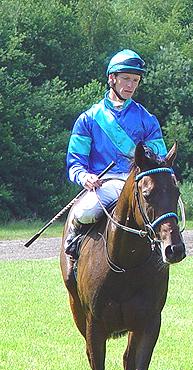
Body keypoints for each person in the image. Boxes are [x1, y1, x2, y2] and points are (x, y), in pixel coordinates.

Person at [64, 49, 168, 258]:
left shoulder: (147, 119)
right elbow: (75, 162)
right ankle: (73, 249)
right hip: (105, 184)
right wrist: (85, 177)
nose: (131, 85)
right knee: (84, 212)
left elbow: (160, 157)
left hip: (138, 183)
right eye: (126, 79)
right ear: (112, 79)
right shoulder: (88, 119)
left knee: (165, 212)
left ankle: (164, 250)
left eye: (135, 80)